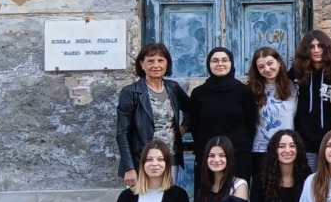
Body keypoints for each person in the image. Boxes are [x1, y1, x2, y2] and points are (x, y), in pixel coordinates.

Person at [116, 42, 190, 187]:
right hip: (142, 159)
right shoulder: (131, 92)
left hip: (169, 158)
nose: (156, 65)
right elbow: (122, 132)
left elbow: (192, 110)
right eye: (150, 61)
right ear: (142, 65)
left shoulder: (173, 88)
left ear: (166, 64)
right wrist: (129, 167)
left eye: (160, 60)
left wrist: (184, 127)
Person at [187, 47, 258, 181]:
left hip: (238, 154)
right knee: (206, 198)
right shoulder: (198, 93)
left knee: (237, 197)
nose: (220, 64)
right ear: (209, 64)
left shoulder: (244, 92)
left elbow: (250, 123)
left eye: (225, 60)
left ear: (231, 63)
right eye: (215, 61)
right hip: (207, 155)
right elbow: (194, 125)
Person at [290, 30, 331, 173]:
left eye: (320, 46)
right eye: (311, 47)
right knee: (309, 183)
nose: (316, 50)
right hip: (304, 142)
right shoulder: (296, 72)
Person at [248, 46, 297, 177]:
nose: (267, 69)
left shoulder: (293, 87)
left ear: (279, 62)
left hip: (288, 149)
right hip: (261, 149)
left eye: (270, 63)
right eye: (261, 67)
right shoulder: (251, 90)